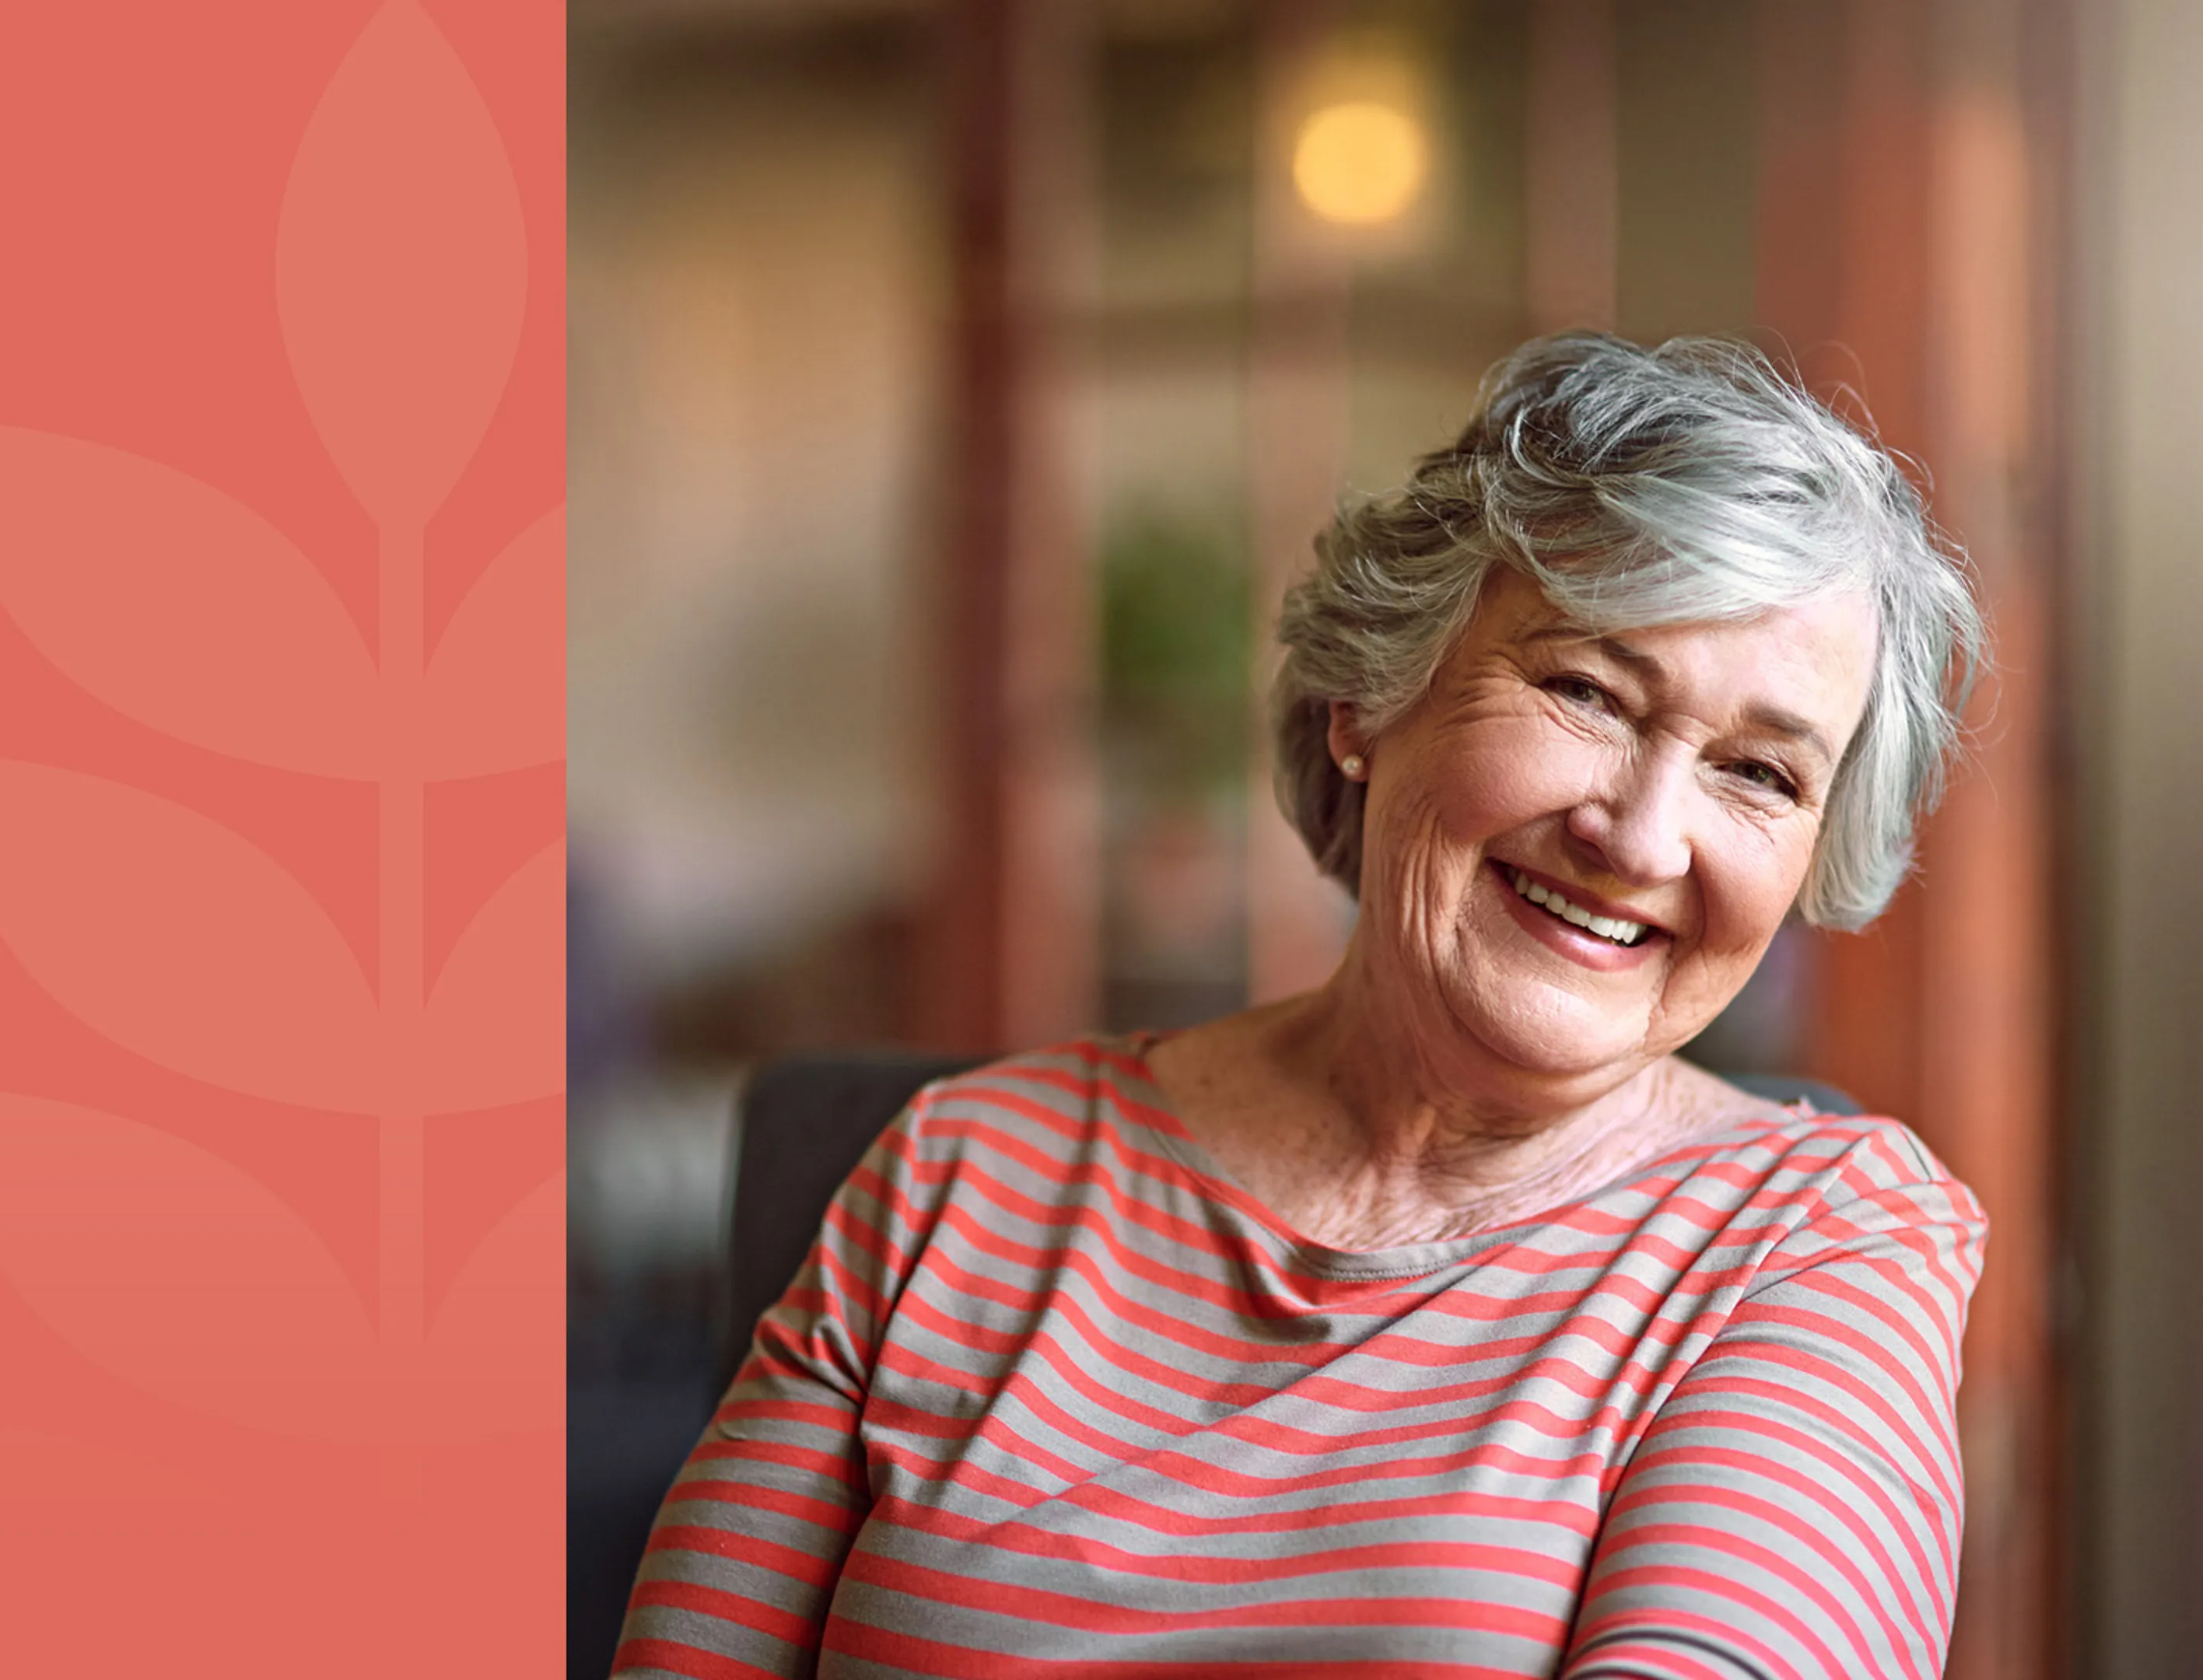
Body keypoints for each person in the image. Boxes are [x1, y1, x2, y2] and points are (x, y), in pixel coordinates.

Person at [612, 334, 1990, 1678]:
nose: (1640, 838)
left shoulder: (1820, 1244)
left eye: (1759, 775)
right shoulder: (955, 1176)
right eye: (1585, 690)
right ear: (1365, 702)